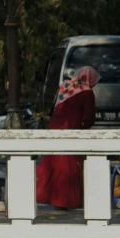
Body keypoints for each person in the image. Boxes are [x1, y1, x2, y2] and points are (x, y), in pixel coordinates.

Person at [36, 67, 98, 208]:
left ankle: (48, 197)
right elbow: (89, 117)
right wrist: (84, 127)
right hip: (71, 128)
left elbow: (55, 107)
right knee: (68, 164)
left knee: (54, 160)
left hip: (54, 127)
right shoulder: (87, 92)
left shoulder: (64, 85)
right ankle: (65, 201)